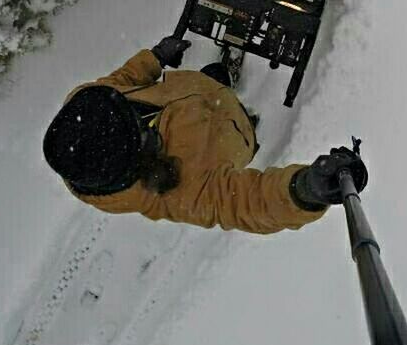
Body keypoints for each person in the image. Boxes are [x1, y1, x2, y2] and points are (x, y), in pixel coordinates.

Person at [43, 35, 368, 234]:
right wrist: (305, 189)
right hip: (229, 133)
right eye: (136, 124)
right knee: (238, 118)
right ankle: (245, 120)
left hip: (192, 93)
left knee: (213, 78)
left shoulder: (88, 105)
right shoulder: (182, 191)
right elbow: (253, 203)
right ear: (136, 151)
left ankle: (220, 79)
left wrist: (154, 59)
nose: (127, 103)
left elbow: (117, 81)